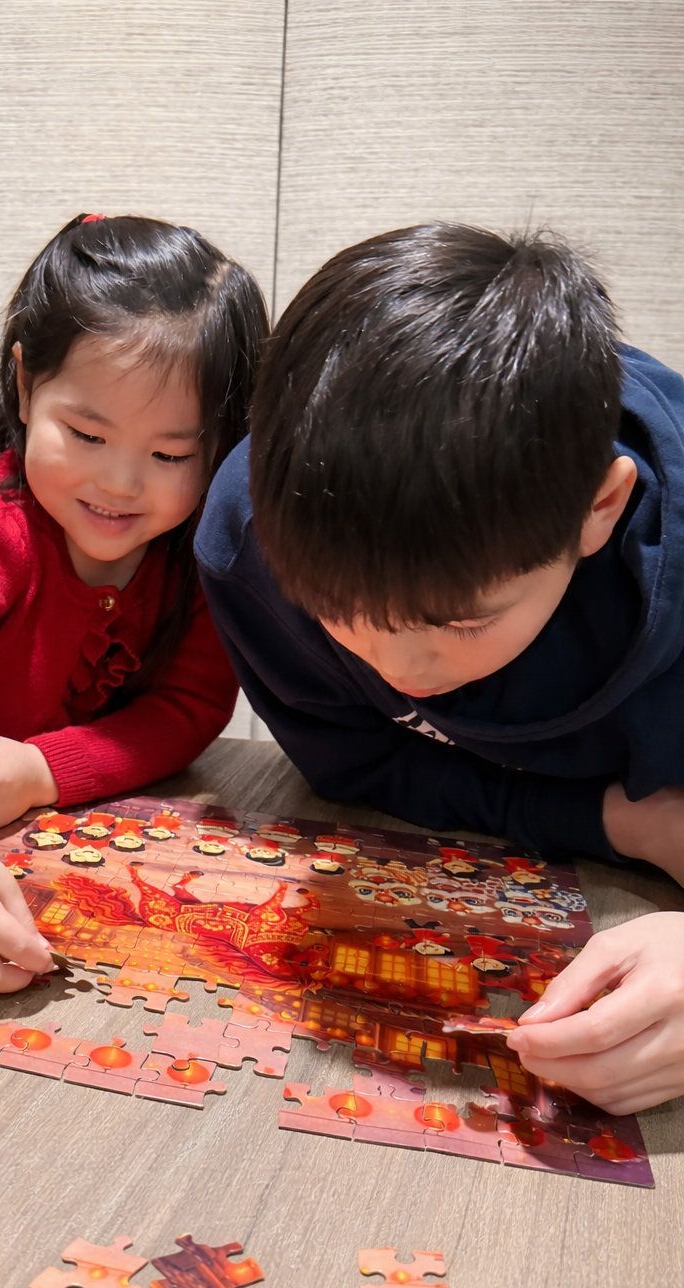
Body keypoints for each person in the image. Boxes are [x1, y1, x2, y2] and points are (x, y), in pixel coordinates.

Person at [195, 222, 684, 1112]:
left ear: (600, 510)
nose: (396, 668)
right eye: (338, 614)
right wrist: (618, 822)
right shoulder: (250, 539)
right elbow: (358, 762)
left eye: (457, 623)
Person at [0, 213, 268, 993]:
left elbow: (191, 707)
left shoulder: (205, 550)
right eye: (85, 435)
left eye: (169, 454)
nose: (120, 484)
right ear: (24, 386)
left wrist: (46, 769)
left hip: (109, 856)